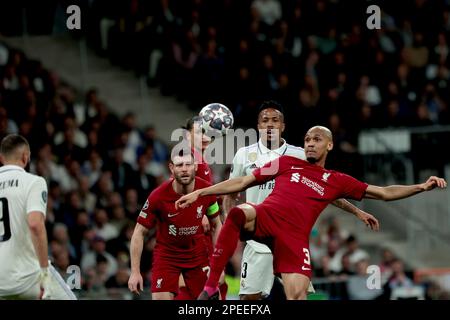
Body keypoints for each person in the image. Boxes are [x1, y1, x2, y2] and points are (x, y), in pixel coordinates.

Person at [175, 126, 447, 300]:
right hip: (266, 217)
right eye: (306, 139)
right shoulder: (285, 162)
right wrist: (202, 192)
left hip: (293, 239)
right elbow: (244, 182)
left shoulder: (336, 180)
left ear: (329, 145)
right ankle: (211, 287)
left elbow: (384, 192)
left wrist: (421, 186)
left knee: (296, 296)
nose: (310, 143)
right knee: (238, 214)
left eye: (317, 139)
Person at [223, 101, 380, 300]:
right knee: (249, 299)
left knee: (298, 296)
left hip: (290, 240)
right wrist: (229, 227)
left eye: (275, 120)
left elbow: (323, 189)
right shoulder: (243, 155)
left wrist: (357, 211)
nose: (270, 125)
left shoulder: (300, 155)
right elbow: (230, 194)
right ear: (258, 126)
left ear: (283, 126)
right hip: (258, 240)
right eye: (265, 121)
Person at [128, 149, 223, 300]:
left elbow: (217, 226)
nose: (184, 169)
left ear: (196, 167)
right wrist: (135, 272)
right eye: (179, 165)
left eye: (188, 164)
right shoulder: (158, 196)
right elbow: (139, 232)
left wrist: (219, 265)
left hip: (197, 256)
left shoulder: (207, 192)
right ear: (171, 168)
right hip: (167, 257)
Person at [0, 134, 77, 300]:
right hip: (28, 277)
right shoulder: (33, 182)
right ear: (26, 157)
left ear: (1, 157)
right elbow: (35, 224)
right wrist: (44, 273)